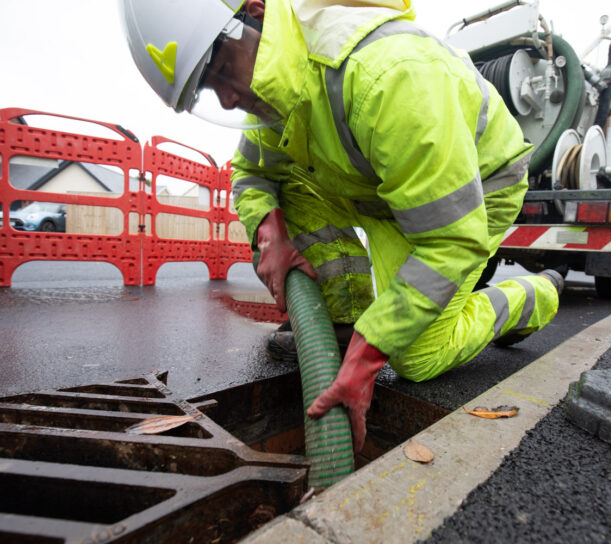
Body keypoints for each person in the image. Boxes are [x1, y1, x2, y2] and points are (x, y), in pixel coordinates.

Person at [119, 0, 561, 453]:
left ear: (254, 13)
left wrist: (371, 354)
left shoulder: (387, 76)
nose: (228, 98)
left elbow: (448, 239)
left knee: (418, 357)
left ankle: (533, 298)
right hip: (380, 192)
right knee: (284, 193)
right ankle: (343, 321)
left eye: (222, 69)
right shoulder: (277, 88)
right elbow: (253, 173)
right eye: (210, 91)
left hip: (471, 194)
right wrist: (269, 234)